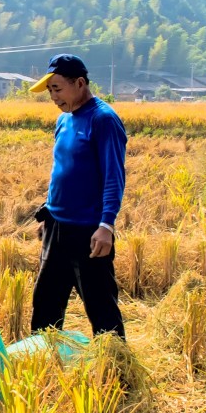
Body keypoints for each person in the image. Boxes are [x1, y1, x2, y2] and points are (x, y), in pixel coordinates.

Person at [29, 53, 127, 339]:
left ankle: (116, 370)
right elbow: (62, 169)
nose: (53, 97)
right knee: (45, 304)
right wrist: (48, 211)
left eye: (57, 88)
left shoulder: (103, 119)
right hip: (56, 227)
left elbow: (114, 177)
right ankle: (44, 365)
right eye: (49, 91)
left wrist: (106, 226)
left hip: (88, 232)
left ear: (80, 83)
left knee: (101, 309)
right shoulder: (64, 120)